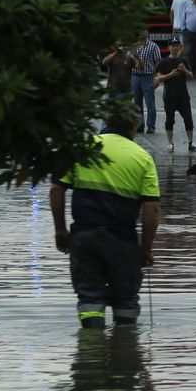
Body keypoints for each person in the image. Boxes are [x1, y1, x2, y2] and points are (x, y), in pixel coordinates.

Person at [50, 108, 160, 328]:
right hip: (122, 242)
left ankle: (90, 355)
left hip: (84, 239)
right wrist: (146, 248)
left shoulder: (82, 149)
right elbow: (152, 209)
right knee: (126, 301)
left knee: (89, 300)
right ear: (134, 127)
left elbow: (56, 190)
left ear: (106, 121)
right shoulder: (142, 158)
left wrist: (60, 230)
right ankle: (126, 353)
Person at [154, 38, 196, 152]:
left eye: (176, 45)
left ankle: (191, 142)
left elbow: (191, 76)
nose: (174, 48)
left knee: (188, 119)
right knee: (169, 120)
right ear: (169, 48)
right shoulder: (163, 62)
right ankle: (170, 143)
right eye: (172, 45)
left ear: (179, 47)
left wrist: (184, 70)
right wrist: (171, 74)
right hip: (169, 96)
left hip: (183, 95)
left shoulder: (184, 61)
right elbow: (159, 77)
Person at [130, 32, 161, 134]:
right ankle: (140, 125)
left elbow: (158, 62)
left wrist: (156, 77)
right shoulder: (134, 46)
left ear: (147, 33)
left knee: (150, 103)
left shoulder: (153, 46)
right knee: (137, 103)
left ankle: (151, 125)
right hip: (135, 76)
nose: (141, 33)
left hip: (148, 76)